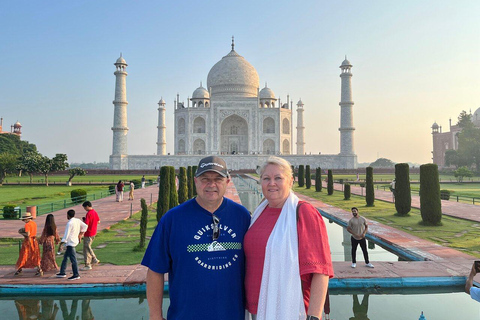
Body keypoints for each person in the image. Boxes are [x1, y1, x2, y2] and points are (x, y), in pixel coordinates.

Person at [142, 156, 251, 320]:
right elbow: (155, 270)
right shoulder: (173, 219)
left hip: (231, 314)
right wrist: (155, 315)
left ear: (227, 182)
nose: (211, 184)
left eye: (217, 179)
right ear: (195, 181)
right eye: (205, 179)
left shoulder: (241, 216)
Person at [244, 156, 334, 320]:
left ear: (291, 181)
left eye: (278, 178)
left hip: (288, 309)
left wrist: (314, 316)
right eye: (266, 178)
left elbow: (320, 270)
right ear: (260, 182)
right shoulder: (260, 212)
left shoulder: (304, 212)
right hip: (256, 308)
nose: (272, 183)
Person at [56, 209, 88, 280]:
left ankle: (76, 274)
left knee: (73, 260)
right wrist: (81, 234)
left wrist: (61, 244)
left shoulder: (69, 223)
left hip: (70, 243)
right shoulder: (77, 220)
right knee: (65, 258)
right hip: (73, 242)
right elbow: (85, 226)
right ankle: (62, 272)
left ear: (68, 215)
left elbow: (66, 235)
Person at [14, 212, 42, 277]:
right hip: (34, 240)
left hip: (28, 241)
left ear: (27, 219)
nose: (23, 221)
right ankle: (39, 269)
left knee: (24, 255)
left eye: (24, 219)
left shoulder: (27, 225)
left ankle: (19, 269)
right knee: (35, 255)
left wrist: (21, 233)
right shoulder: (34, 223)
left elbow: (28, 235)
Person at [81, 201, 100, 271]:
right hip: (93, 232)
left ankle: (92, 260)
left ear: (87, 206)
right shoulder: (94, 212)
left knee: (86, 248)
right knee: (87, 247)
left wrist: (81, 232)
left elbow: (86, 224)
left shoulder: (88, 214)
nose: (84, 209)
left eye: (84, 207)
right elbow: (98, 221)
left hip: (88, 233)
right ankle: (89, 262)